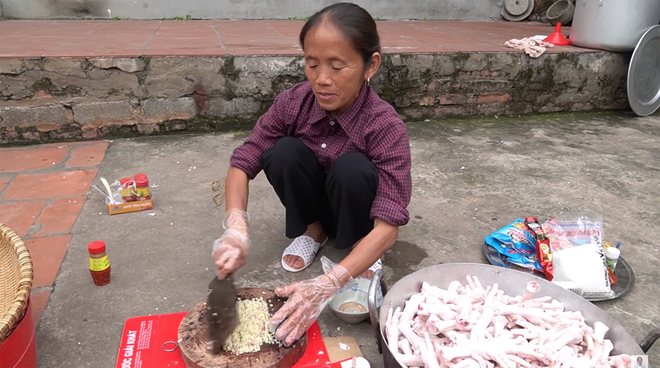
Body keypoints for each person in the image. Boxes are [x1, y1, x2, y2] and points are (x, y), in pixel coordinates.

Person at [212, 2, 412, 346]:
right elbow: (243, 161)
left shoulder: (384, 124)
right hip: (316, 206)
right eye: (312, 63)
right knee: (283, 151)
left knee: (352, 167)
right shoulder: (293, 102)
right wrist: (236, 228)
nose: (322, 79)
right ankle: (313, 231)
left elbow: (389, 224)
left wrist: (329, 282)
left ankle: (359, 250)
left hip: (363, 220)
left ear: (370, 65)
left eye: (337, 66)